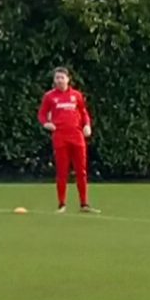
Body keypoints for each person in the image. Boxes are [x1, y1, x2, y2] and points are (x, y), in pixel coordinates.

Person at [39, 67, 93, 213]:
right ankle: (62, 204)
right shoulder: (49, 97)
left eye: (62, 77)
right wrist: (46, 124)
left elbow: (83, 112)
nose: (60, 80)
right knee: (62, 171)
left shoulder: (76, 95)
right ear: (54, 80)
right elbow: (42, 114)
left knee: (81, 171)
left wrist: (87, 125)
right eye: (57, 78)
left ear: (68, 79)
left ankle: (84, 204)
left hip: (77, 136)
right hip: (60, 137)